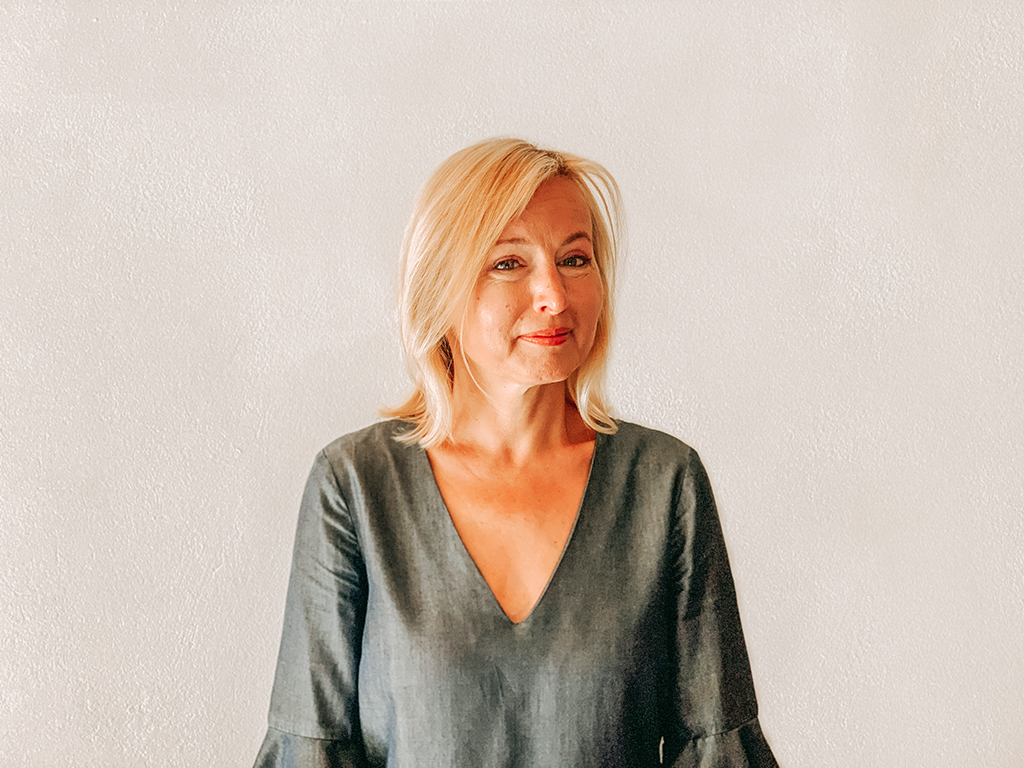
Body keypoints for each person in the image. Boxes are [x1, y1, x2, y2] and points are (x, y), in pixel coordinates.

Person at [253, 138, 778, 767]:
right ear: (439, 287)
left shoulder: (666, 483)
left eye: (575, 259)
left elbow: (718, 752)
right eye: (508, 263)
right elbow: (311, 751)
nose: (554, 295)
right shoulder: (355, 485)